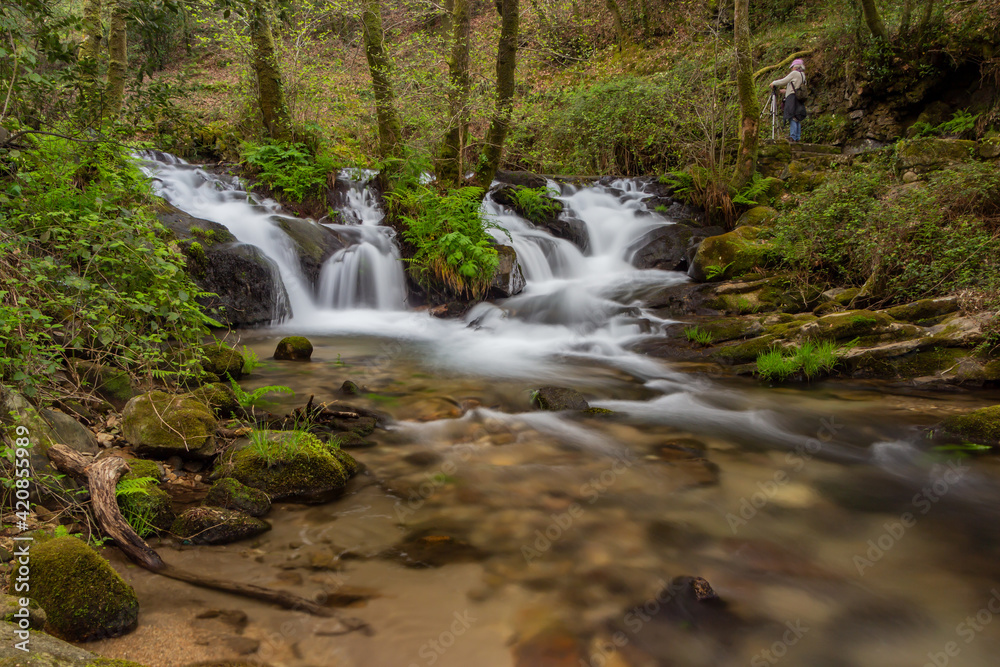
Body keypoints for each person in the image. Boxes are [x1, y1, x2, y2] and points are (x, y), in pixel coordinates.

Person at [771, 58, 807, 142]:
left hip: (792, 98)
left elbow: (784, 80)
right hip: (798, 98)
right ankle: (797, 137)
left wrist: (774, 83)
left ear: (795, 66)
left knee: (792, 116)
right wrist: (785, 91)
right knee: (797, 117)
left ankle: (793, 137)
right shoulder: (803, 75)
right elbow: (797, 86)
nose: (791, 69)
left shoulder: (795, 73)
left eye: (792, 67)